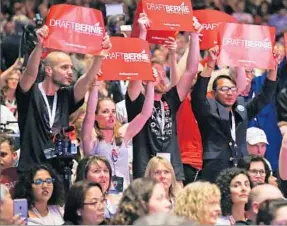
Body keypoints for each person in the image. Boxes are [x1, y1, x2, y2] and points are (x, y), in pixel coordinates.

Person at [15, 25, 111, 175]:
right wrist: (40, 46)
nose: (70, 72)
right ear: (48, 70)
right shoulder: (30, 92)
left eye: (71, 68)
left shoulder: (65, 96)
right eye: (64, 67)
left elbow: (86, 80)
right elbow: (30, 72)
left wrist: (100, 55)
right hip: (30, 171)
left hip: (57, 172)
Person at [125, 14, 201, 181]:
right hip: (146, 172)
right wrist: (143, 34)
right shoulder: (136, 102)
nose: (160, 77)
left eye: (161, 73)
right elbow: (136, 69)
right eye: (155, 73)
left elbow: (191, 70)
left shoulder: (170, 100)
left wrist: (194, 35)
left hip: (173, 170)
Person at [191, 46, 280, 182]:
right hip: (214, 171)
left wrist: (274, 67)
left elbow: (265, 96)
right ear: (214, 94)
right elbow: (198, 95)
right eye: (224, 89)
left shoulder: (241, 111)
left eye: (233, 89)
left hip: (240, 170)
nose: (229, 92)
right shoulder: (208, 111)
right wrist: (210, 65)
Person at [81, 79, 154, 190]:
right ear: (96, 116)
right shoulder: (91, 139)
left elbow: (145, 114)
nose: (111, 115)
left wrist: (150, 85)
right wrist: (95, 86)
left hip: (124, 196)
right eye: (105, 111)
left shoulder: (122, 134)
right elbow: (89, 113)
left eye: (113, 111)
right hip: (100, 196)